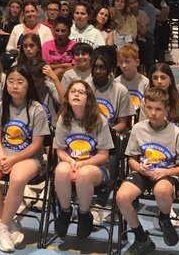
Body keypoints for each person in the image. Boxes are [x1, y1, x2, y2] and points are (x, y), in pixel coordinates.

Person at [0, 66, 49, 253]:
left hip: (29, 156)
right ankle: (9, 223)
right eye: (11, 81)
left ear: (28, 85)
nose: (15, 86)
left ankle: (1, 228)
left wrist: (14, 160)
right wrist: (2, 156)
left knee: (17, 178)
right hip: (4, 152)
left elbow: (36, 144)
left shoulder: (37, 109)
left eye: (20, 82)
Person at [116, 87, 179, 255]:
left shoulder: (176, 133)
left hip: (167, 173)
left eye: (158, 109)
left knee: (162, 190)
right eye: (149, 108)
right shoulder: (138, 129)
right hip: (143, 172)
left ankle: (164, 218)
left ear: (167, 110)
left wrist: (165, 172)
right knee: (122, 197)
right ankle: (141, 238)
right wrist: (139, 168)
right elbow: (132, 159)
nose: (153, 113)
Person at [51, 79, 114, 241]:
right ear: (67, 97)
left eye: (81, 92)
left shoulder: (99, 120)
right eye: (73, 91)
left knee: (84, 173)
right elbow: (60, 151)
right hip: (72, 163)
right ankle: (65, 211)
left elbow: (103, 155)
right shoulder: (63, 119)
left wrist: (83, 164)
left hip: (97, 167)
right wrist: (71, 162)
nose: (76, 94)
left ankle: (84, 214)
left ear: (88, 98)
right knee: (61, 170)